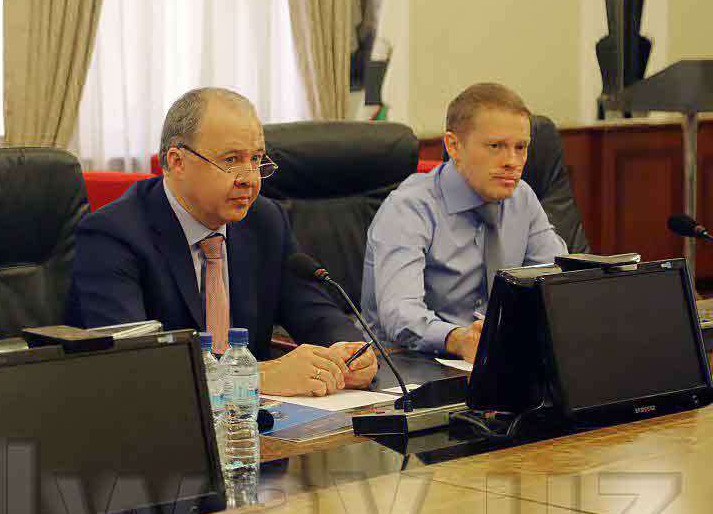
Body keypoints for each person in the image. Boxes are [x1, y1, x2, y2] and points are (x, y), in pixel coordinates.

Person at [66, 87, 378, 397]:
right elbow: (131, 365)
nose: (250, 179)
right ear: (178, 162)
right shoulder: (112, 235)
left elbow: (313, 310)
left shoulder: (264, 221)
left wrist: (348, 351)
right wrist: (256, 376)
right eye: (231, 160)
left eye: (256, 159)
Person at [361, 82, 567, 364]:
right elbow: (399, 313)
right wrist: (458, 339)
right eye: (496, 146)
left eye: (521, 147)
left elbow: (557, 283)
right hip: (408, 364)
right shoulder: (409, 208)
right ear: (453, 146)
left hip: (496, 361)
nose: (512, 161)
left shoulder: (522, 198)